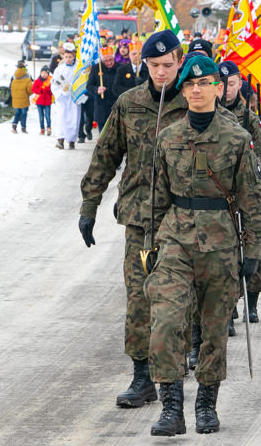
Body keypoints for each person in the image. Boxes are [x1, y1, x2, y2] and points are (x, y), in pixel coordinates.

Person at [144, 55, 261, 436]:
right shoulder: (168, 137)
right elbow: (156, 199)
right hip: (175, 239)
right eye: (189, 85)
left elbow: (253, 200)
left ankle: (206, 402)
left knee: (213, 328)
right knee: (166, 320)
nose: (196, 90)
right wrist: (150, 247)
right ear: (183, 92)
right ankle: (170, 405)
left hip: (220, 244)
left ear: (219, 87)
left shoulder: (238, 139)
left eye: (204, 83)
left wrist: (253, 253)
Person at [79, 30, 187, 409]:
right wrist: (89, 205)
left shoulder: (195, 102)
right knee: (139, 299)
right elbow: (105, 155)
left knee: (177, 300)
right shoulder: (130, 104)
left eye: (168, 66)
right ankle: (143, 377)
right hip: (141, 220)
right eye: (154, 66)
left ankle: (176, 370)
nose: (161, 73)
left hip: (185, 221)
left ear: (180, 61)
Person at [217, 60, 261, 325]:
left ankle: (251, 303)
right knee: (225, 257)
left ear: (240, 85)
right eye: (220, 84)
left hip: (254, 202)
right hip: (222, 204)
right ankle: (229, 305)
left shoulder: (257, 124)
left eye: (231, 84)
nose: (225, 90)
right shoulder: (211, 122)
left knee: (253, 252)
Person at [51, 42, 81, 149]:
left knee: (74, 119)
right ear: (63, 56)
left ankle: (72, 141)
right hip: (63, 99)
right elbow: (55, 82)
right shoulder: (59, 69)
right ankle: (60, 140)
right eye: (66, 57)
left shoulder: (77, 69)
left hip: (73, 99)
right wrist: (61, 91)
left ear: (74, 57)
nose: (68, 59)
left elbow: (81, 82)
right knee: (61, 118)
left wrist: (75, 90)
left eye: (70, 57)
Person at [87, 45, 119, 133]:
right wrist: (97, 89)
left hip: (116, 104)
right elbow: (89, 86)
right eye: (106, 61)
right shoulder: (96, 68)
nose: (109, 63)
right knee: (103, 134)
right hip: (102, 105)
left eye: (111, 60)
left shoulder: (120, 68)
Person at [9, 60, 34, 134]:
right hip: (24, 98)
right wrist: (29, 94)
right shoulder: (27, 78)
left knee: (17, 113)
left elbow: (11, 88)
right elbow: (30, 90)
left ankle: (14, 125)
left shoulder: (14, 77)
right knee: (24, 113)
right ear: (24, 67)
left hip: (16, 98)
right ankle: (23, 127)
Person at [32, 65, 53, 136]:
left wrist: (48, 91)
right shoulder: (37, 81)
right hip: (39, 102)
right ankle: (42, 129)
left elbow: (52, 90)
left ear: (48, 74)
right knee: (41, 116)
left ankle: (49, 128)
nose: (43, 75)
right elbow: (33, 89)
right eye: (42, 73)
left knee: (47, 116)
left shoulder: (50, 81)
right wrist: (40, 90)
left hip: (47, 101)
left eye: (45, 73)